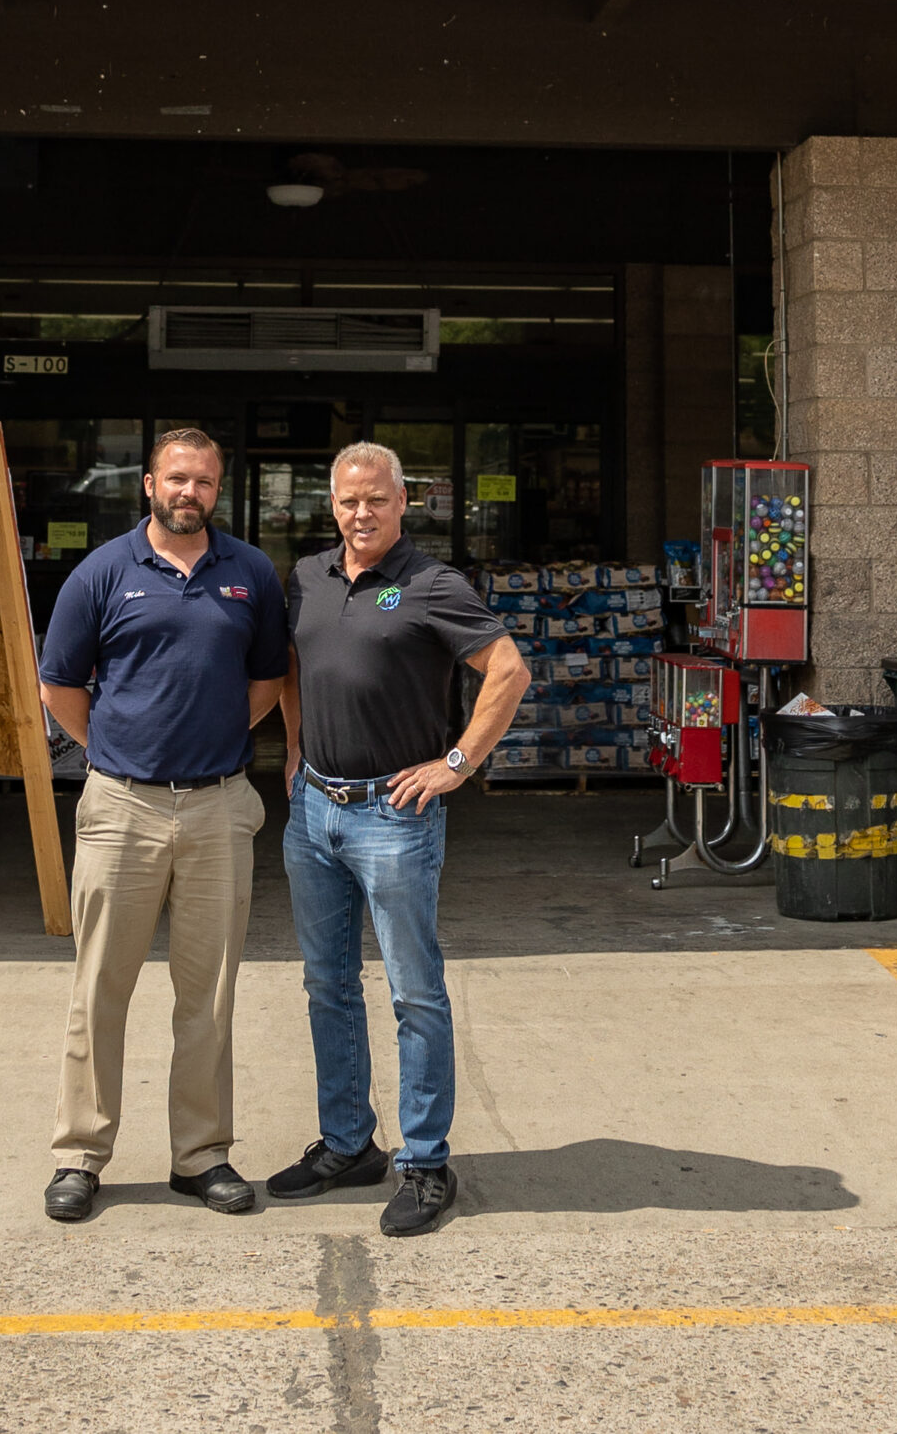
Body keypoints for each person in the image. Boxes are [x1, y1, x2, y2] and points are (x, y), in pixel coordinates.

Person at [270, 440, 530, 1236]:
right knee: (328, 986)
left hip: (394, 813)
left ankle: (424, 1161)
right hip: (315, 810)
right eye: (348, 500)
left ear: (402, 500)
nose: (360, 513)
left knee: (414, 993)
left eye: (375, 499)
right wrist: (291, 749)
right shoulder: (309, 577)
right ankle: (350, 1144)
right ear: (332, 503)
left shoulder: (432, 584)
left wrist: (456, 762)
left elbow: (509, 669)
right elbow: (291, 665)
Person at [38, 428, 288, 1224]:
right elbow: (60, 685)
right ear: (149, 483)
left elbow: (267, 681)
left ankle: (201, 1154)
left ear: (220, 489)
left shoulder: (249, 573)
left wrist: (208, 748)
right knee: (98, 988)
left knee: (208, 994)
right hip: (121, 808)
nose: (191, 491)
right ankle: (80, 1154)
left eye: (205, 481)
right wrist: (116, 752)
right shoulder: (103, 571)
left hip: (216, 805)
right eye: (178, 478)